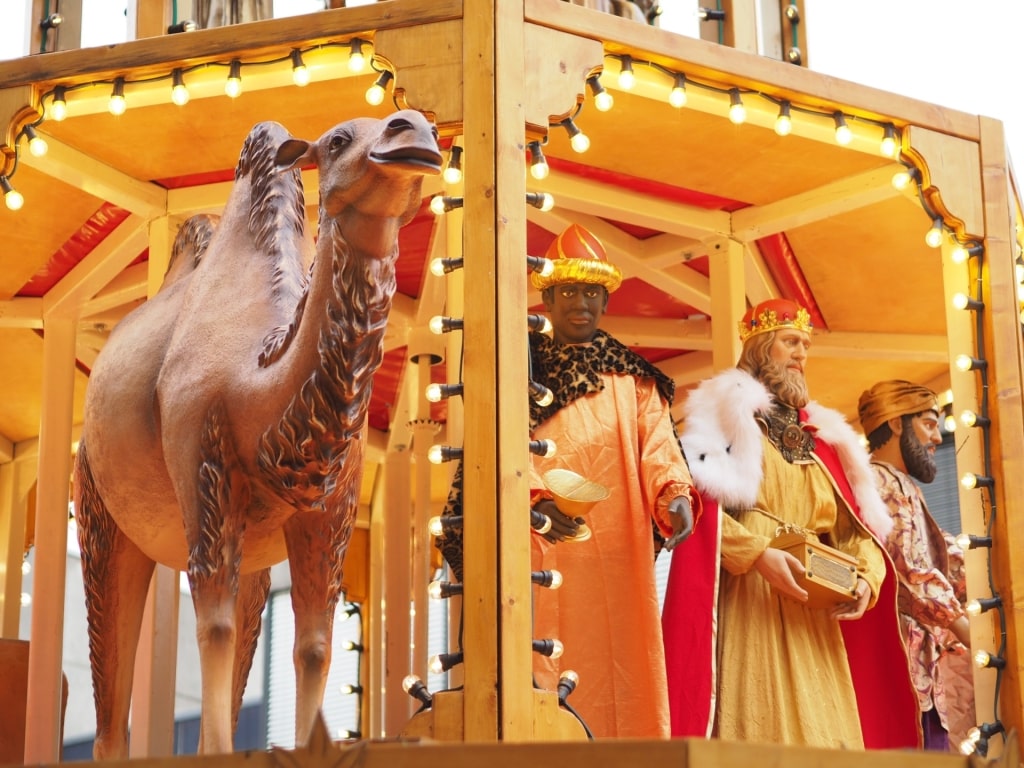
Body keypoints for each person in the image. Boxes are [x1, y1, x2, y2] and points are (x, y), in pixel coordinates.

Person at [437, 223, 699, 739]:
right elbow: (494, 452)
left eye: (592, 293)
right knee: (531, 664)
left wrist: (675, 495)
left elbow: (659, 447)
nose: (582, 304)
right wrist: (532, 500)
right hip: (532, 550)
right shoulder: (514, 371)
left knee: (619, 665)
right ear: (550, 298)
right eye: (571, 292)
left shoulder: (635, 378)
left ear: (605, 300)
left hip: (615, 555)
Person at [661, 298, 920, 749]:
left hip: (816, 611)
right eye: (791, 342)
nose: (802, 354)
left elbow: (856, 532)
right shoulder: (723, 421)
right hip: (753, 601)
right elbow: (700, 514)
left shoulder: (823, 442)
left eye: (806, 344)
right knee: (761, 723)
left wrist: (866, 580)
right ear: (762, 347)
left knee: (829, 733)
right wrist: (758, 554)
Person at [858, 380, 975, 752]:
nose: (937, 437)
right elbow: (908, 574)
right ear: (896, 423)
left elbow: (944, 560)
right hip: (897, 664)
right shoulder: (879, 482)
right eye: (928, 423)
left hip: (918, 667)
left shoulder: (900, 484)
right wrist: (968, 631)